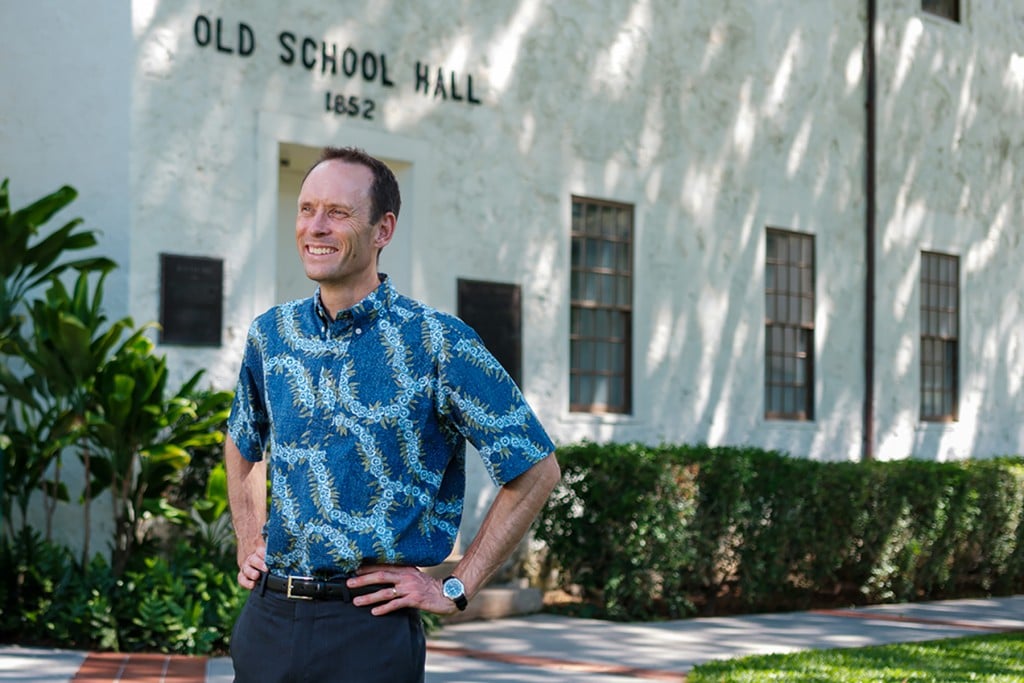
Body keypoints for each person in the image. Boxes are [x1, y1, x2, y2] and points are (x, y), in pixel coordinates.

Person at [225, 145, 560, 682]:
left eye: (337, 212)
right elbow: (244, 442)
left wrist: (457, 586)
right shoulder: (271, 334)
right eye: (307, 209)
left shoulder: (438, 342)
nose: (316, 226)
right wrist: (249, 537)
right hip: (269, 621)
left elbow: (535, 468)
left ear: (383, 229)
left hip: (368, 630)